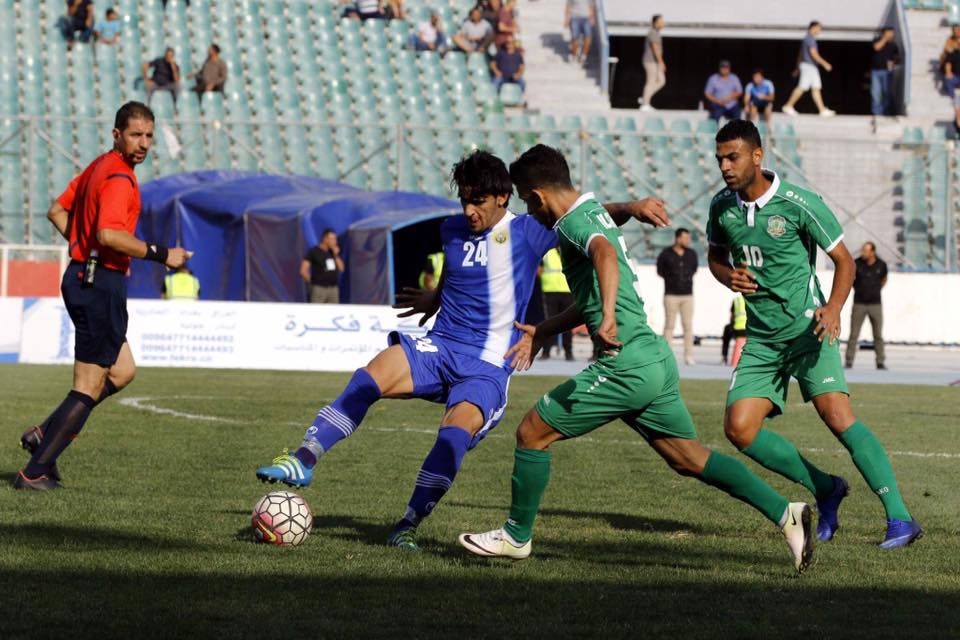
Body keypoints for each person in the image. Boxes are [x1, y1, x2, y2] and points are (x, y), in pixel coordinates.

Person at [254, 150, 668, 550]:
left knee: (453, 438)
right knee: (370, 376)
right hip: (440, 345)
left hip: (487, 366)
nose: (469, 210)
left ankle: (406, 525)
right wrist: (433, 298)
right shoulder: (451, 230)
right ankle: (304, 457)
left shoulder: (529, 231)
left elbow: (584, 218)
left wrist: (630, 207)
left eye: (478, 201)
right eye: (464, 200)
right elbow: (457, 271)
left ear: (502, 197)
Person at [458, 144, 814, 575]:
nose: (531, 214)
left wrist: (608, 315)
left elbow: (604, 254)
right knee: (688, 458)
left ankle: (516, 536)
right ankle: (786, 513)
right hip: (653, 358)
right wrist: (546, 329)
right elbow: (597, 264)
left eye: (528, 204)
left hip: (624, 364)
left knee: (531, 432)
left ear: (537, 196)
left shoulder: (574, 223)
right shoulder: (589, 211)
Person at [705, 119, 921, 549]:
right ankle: (826, 487)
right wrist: (729, 276)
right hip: (762, 339)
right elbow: (714, 258)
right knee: (739, 429)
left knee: (838, 417)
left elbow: (845, 261)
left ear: (757, 156)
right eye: (720, 159)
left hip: (809, 329)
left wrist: (834, 308)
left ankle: (900, 517)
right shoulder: (721, 207)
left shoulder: (798, 203)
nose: (725, 166)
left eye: (733, 157)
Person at [15, 102, 189, 490]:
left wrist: (83, 248)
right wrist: (163, 254)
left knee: (122, 371)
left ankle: (44, 433)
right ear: (117, 135)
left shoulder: (97, 167)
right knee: (89, 384)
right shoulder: (119, 178)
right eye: (135, 135)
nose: (143, 143)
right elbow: (109, 234)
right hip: (99, 282)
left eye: (149, 136)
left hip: (85, 276)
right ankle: (35, 472)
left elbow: (56, 211)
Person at [657, 227, 698, 365]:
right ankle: (666, 355)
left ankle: (689, 355)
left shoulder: (692, 254)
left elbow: (694, 269)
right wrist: (672, 279)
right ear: (678, 238)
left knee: (688, 326)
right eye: (685, 238)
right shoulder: (666, 253)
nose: (688, 240)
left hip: (687, 295)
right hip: (671, 295)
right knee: (669, 325)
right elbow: (660, 270)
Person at [845, 242, 887, 370]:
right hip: (859, 303)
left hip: (875, 304)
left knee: (878, 334)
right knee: (854, 334)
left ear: (872, 252)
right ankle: (849, 360)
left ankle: (880, 361)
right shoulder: (856, 263)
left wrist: (875, 289)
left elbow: (884, 279)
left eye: (866, 250)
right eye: (863, 250)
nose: (863, 253)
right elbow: (851, 279)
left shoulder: (881, 264)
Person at [782, 21, 836, 117]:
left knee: (816, 87)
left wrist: (797, 69)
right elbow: (813, 54)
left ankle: (822, 110)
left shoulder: (807, 39)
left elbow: (800, 56)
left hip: (809, 66)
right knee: (802, 87)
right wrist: (825, 64)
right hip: (809, 66)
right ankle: (788, 106)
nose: (819, 31)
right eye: (819, 28)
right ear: (813, 27)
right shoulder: (810, 39)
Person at [539, 247, 573, 361]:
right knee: (549, 322)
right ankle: (546, 351)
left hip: (567, 290)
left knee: (569, 323)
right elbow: (539, 268)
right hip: (550, 291)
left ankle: (568, 352)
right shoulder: (547, 252)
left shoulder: (570, 250)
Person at [301, 229, 344, 304]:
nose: (335, 241)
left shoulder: (333, 253)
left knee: (334, 310)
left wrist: (336, 255)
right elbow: (303, 271)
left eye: (335, 239)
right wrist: (314, 283)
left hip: (333, 289)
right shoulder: (314, 252)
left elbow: (341, 268)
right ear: (325, 239)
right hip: (319, 288)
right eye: (332, 239)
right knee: (317, 309)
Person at [870, 27, 899, 131]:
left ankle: (885, 112)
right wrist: (885, 39)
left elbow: (897, 58)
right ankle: (877, 112)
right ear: (884, 33)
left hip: (887, 72)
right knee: (876, 93)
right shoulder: (877, 40)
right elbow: (876, 48)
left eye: (892, 33)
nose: (891, 35)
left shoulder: (893, 45)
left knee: (886, 93)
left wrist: (894, 63)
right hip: (876, 71)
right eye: (889, 33)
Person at [640, 14, 666, 112]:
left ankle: (645, 98)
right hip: (650, 61)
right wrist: (661, 62)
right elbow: (655, 49)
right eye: (661, 22)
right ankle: (645, 104)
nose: (663, 23)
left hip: (655, 62)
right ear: (656, 23)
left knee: (661, 81)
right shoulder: (653, 32)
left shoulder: (657, 33)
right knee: (651, 81)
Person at [564, 0, 595, 64]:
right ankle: (574, 57)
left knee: (588, 37)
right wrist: (567, 19)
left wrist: (592, 18)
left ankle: (583, 57)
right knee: (575, 38)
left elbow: (591, 6)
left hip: (587, 18)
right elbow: (568, 6)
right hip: (575, 18)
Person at [721, 294, 747, 367]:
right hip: (750, 329)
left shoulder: (737, 300)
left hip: (738, 328)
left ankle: (724, 356)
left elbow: (732, 316)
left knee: (726, 331)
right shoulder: (754, 299)